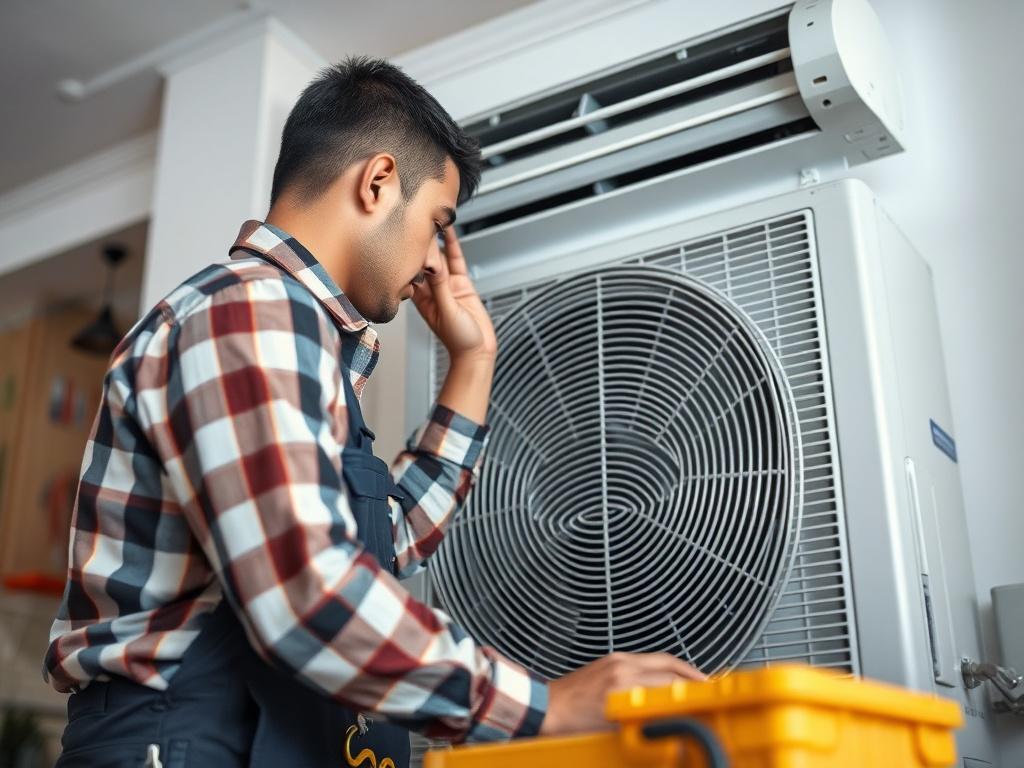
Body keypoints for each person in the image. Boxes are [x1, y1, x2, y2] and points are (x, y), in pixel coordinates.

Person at [44, 57, 704, 768]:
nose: (432, 262)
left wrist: (474, 363)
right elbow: (305, 587)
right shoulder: (250, 312)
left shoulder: (297, 339)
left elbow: (379, 541)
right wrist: (543, 708)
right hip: (182, 740)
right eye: (436, 223)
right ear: (379, 181)